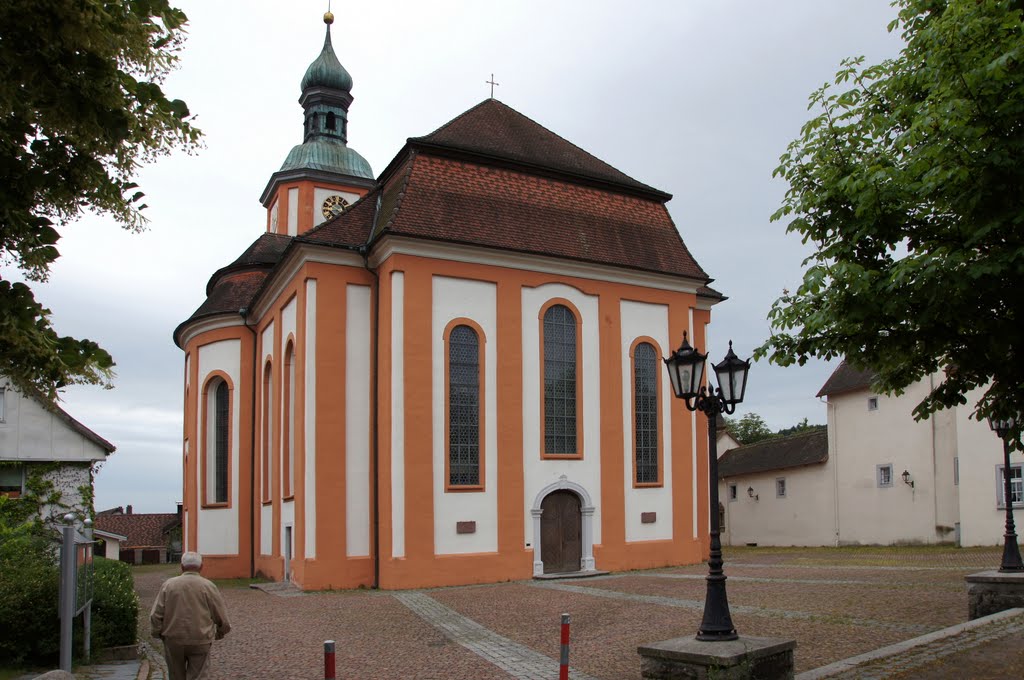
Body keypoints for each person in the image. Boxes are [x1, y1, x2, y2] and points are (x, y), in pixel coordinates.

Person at [150, 551, 231, 680]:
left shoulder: (169, 585)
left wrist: (157, 632)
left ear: (182, 566)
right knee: (199, 676)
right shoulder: (208, 586)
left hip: (173, 638)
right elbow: (220, 614)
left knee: (175, 676)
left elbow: (156, 614)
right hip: (200, 638)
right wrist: (221, 631)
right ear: (201, 567)